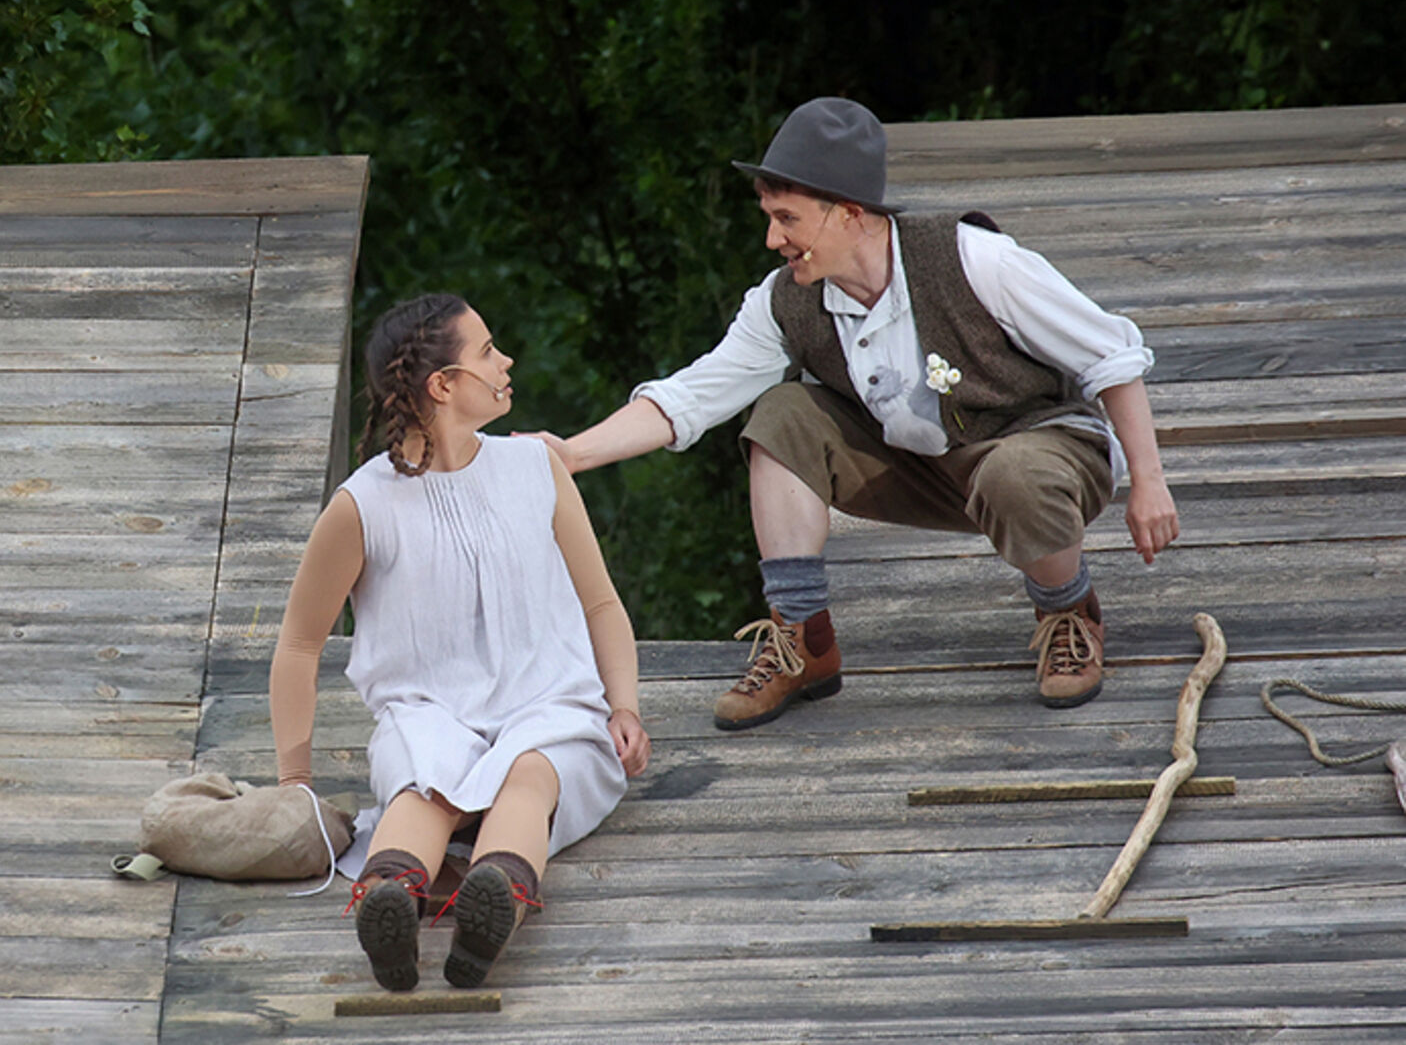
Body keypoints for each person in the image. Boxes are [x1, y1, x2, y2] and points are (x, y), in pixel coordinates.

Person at [532, 97, 1179, 726]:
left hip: (1039, 451)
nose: (771, 239)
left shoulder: (974, 259)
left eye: (786, 219)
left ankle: (1067, 612)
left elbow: (1111, 355)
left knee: (1015, 474)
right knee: (782, 411)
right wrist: (575, 454)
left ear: (848, 213)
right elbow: (696, 393)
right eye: (768, 216)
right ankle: (803, 639)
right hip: (918, 467)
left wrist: (1148, 481)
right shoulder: (785, 302)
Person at [267, 293, 650, 992]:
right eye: (487, 351)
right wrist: (295, 782)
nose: (505, 362)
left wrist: (622, 704)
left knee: (530, 775)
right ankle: (392, 896)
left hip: (551, 704)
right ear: (443, 385)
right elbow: (298, 645)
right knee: (425, 784)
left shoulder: (536, 468)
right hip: (426, 712)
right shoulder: (364, 505)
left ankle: (492, 898)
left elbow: (600, 601)